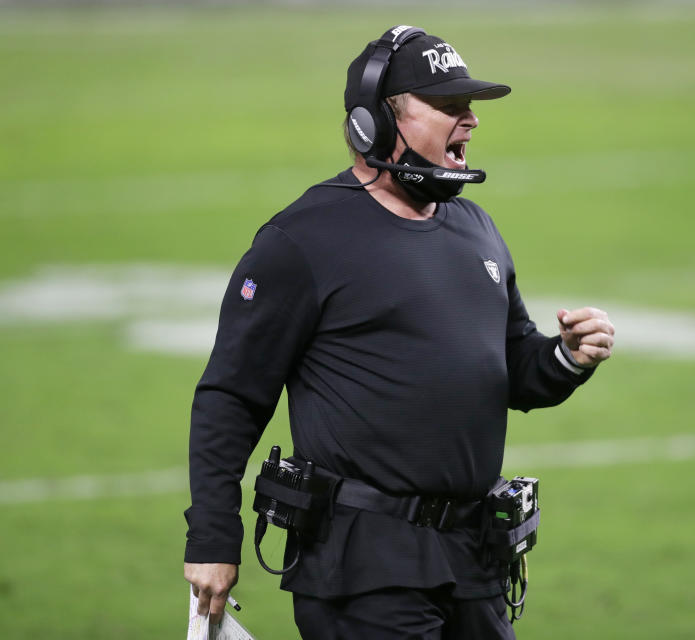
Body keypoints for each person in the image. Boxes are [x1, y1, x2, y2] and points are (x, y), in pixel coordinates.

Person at [183, 25, 615, 639]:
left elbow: (513, 370)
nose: (468, 121)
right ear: (373, 125)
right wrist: (212, 535)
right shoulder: (302, 240)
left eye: (468, 106)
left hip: (475, 561)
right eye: (446, 106)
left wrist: (567, 357)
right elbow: (231, 395)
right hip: (364, 568)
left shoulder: (475, 227)